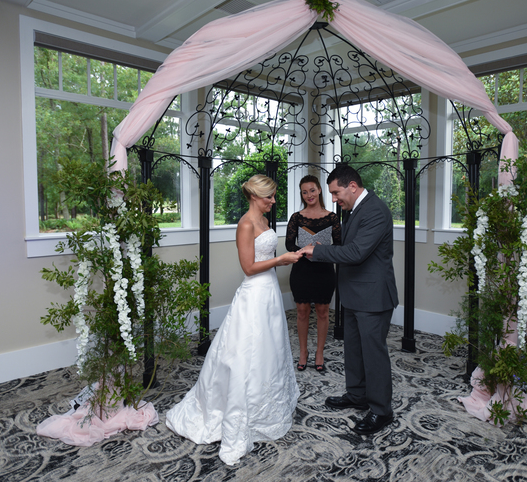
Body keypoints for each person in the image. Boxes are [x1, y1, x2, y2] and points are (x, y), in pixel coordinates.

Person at [166, 174, 303, 466]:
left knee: (271, 348)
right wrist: (282, 260)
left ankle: (269, 405)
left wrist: (283, 260)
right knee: (246, 350)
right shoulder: (245, 224)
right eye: (270, 197)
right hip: (254, 293)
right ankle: (238, 411)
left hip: (269, 293)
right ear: (256, 196)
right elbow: (249, 266)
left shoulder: (264, 222)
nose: (274, 202)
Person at [299, 165, 398, 436]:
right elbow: (346, 248)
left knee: (373, 354)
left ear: (352, 186)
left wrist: (317, 252)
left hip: (373, 296)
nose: (333, 199)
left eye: (335, 192)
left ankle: (381, 410)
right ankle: (357, 395)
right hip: (355, 294)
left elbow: (355, 253)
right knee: (353, 350)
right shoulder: (353, 210)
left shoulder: (375, 211)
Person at [286, 175, 342, 372]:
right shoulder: (297, 217)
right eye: (304, 192)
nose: (309, 194)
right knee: (302, 312)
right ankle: (303, 352)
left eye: (312, 190)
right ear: (301, 194)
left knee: (323, 311)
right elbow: (289, 244)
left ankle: (319, 352)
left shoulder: (332, 217)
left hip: (324, 269)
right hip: (302, 269)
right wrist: (304, 247)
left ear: (319, 190)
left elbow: (339, 245)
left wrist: (322, 248)